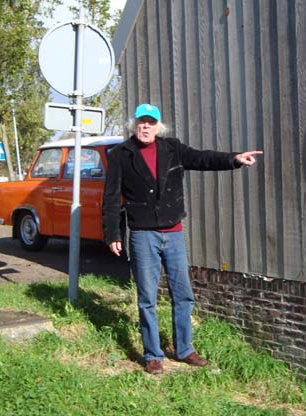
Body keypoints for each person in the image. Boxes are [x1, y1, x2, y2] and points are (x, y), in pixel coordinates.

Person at [102, 103, 262, 375]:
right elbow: (111, 197)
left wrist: (234, 159)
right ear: (134, 124)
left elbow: (202, 158)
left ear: (158, 126)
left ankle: (185, 349)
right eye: (141, 121)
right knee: (147, 298)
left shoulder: (172, 148)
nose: (145, 126)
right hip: (142, 235)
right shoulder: (121, 154)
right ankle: (153, 355)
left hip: (173, 233)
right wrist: (112, 233)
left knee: (183, 295)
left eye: (151, 122)